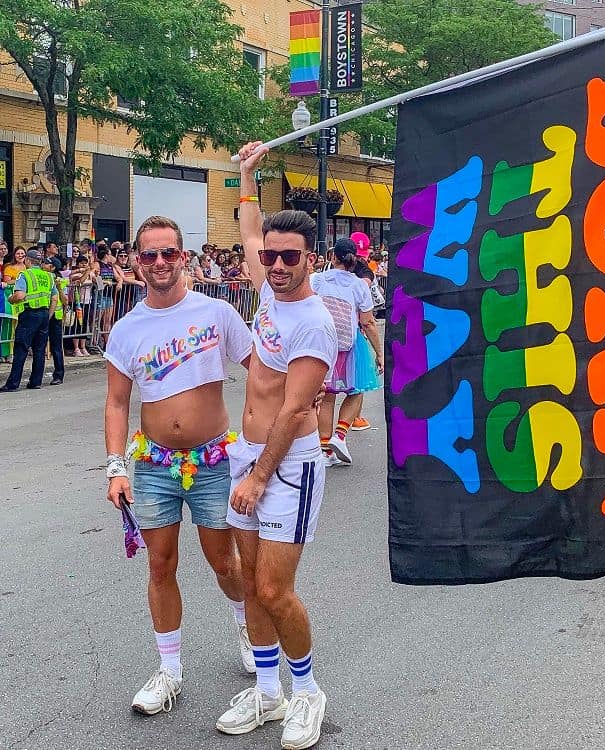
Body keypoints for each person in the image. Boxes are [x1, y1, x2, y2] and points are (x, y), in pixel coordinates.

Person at [104, 215, 258, 716]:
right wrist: (115, 467)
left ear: (183, 255)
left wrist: (267, 441)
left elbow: (259, 370)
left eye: (168, 253)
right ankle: (169, 670)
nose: (160, 263)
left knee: (223, 561)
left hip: (214, 459)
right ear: (136, 261)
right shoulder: (127, 329)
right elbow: (116, 403)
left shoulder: (216, 312)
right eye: (149, 255)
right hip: (153, 465)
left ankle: (245, 624)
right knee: (160, 563)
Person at [215, 141, 337, 750]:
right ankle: (267, 690)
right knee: (247, 573)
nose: (278, 264)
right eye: (271, 256)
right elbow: (247, 226)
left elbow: (295, 410)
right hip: (247, 457)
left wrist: (259, 476)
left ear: (309, 258)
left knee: (272, 589)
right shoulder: (268, 290)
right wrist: (246, 174)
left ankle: (307, 691)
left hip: (285, 468)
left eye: (289, 256)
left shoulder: (313, 320)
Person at [312, 239, 383, 460]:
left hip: (323, 344)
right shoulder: (359, 285)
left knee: (326, 396)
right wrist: (379, 353)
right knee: (356, 389)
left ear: (333, 257)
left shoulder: (317, 280)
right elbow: (368, 322)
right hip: (350, 344)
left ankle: (325, 451)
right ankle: (340, 435)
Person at [0, 248, 58, 392]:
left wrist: (10, 299)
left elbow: (19, 295)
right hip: (44, 314)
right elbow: (55, 298)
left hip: (29, 315)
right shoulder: (49, 276)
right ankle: (35, 381)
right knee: (39, 349)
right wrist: (48, 315)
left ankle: (12, 384)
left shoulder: (24, 275)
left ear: (27, 261)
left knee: (21, 349)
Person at [42, 256, 66, 385]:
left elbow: (66, 301)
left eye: (46, 263)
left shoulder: (59, 280)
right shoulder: (43, 278)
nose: (43, 265)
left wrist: (59, 287)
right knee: (40, 346)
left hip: (55, 317)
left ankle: (59, 375)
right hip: (43, 314)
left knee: (56, 346)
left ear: (53, 267)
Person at [69, 255, 95, 356]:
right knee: (77, 324)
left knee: (84, 324)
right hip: (77, 302)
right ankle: (76, 348)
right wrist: (87, 272)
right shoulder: (74, 274)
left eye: (85, 262)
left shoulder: (90, 274)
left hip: (88, 301)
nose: (84, 264)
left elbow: (97, 282)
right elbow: (80, 282)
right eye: (81, 262)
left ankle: (83, 347)